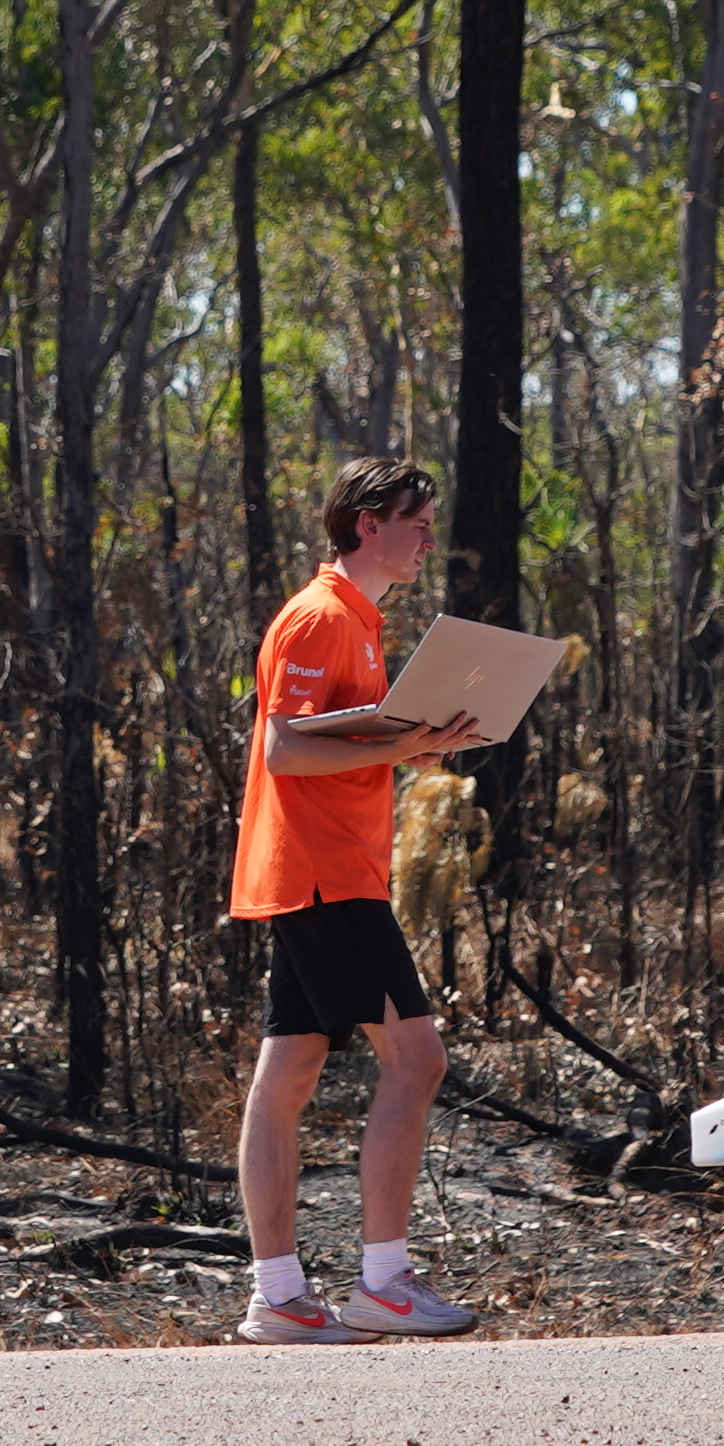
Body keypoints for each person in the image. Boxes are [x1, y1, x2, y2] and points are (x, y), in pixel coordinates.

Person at [225, 457, 487, 1342]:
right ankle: (383, 1282)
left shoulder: (360, 621)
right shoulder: (320, 617)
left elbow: (340, 743)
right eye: (416, 522)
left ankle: (279, 1297)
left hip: (324, 873)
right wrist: (396, 747)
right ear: (368, 524)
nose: (428, 540)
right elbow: (285, 751)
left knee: (287, 1079)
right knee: (418, 1062)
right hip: (322, 874)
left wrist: (414, 743)